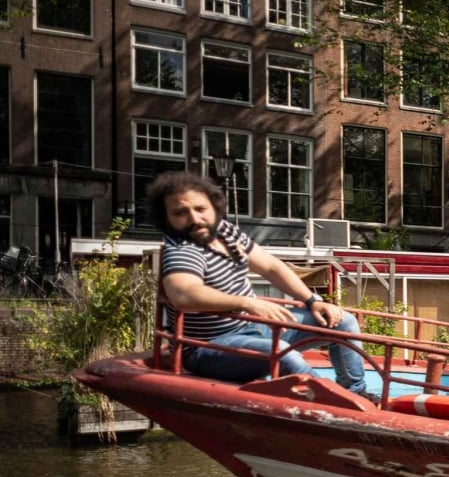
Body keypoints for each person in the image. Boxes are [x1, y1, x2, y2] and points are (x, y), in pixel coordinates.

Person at [148, 171, 375, 399]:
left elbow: (271, 267)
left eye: (200, 209)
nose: (194, 219)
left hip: (253, 327)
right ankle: (332, 404)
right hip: (210, 347)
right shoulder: (182, 250)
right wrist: (248, 303)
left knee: (343, 323)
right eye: (180, 213)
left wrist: (312, 300)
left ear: (214, 207)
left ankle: (356, 393)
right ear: (166, 219)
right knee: (285, 355)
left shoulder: (226, 232)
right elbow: (184, 295)